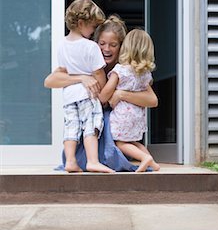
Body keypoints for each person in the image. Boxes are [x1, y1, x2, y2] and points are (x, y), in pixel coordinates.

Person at [44, 14, 158, 171]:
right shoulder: (87, 62)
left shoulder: (124, 68)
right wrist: (82, 78)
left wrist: (121, 94)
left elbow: (152, 100)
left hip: (113, 119)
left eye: (113, 45)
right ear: (95, 44)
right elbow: (50, 80)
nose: (106, 49)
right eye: (102, 43)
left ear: (122, 46)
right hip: (92, 117)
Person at [56, 0, 114, 174]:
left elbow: (64, 71)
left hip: (69, 96)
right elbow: (98, 74)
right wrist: (102, 94)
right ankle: (93, 161)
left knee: (71, 127)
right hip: (88, 94)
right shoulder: (90, 47)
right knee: (91, 127)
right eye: (92, 27)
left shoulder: (62, 45)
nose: (93, 31)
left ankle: (71, 161)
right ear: (81, 23)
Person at [99, 29, 160, 173]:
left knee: (120, 143)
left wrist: (102, 96)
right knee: (133, 142)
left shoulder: (120, 70)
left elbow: (106, 94)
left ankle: (145, 159)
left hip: (122, 117)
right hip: (138, 116)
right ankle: (152, 162)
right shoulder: (145, 74)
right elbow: (147, 92)